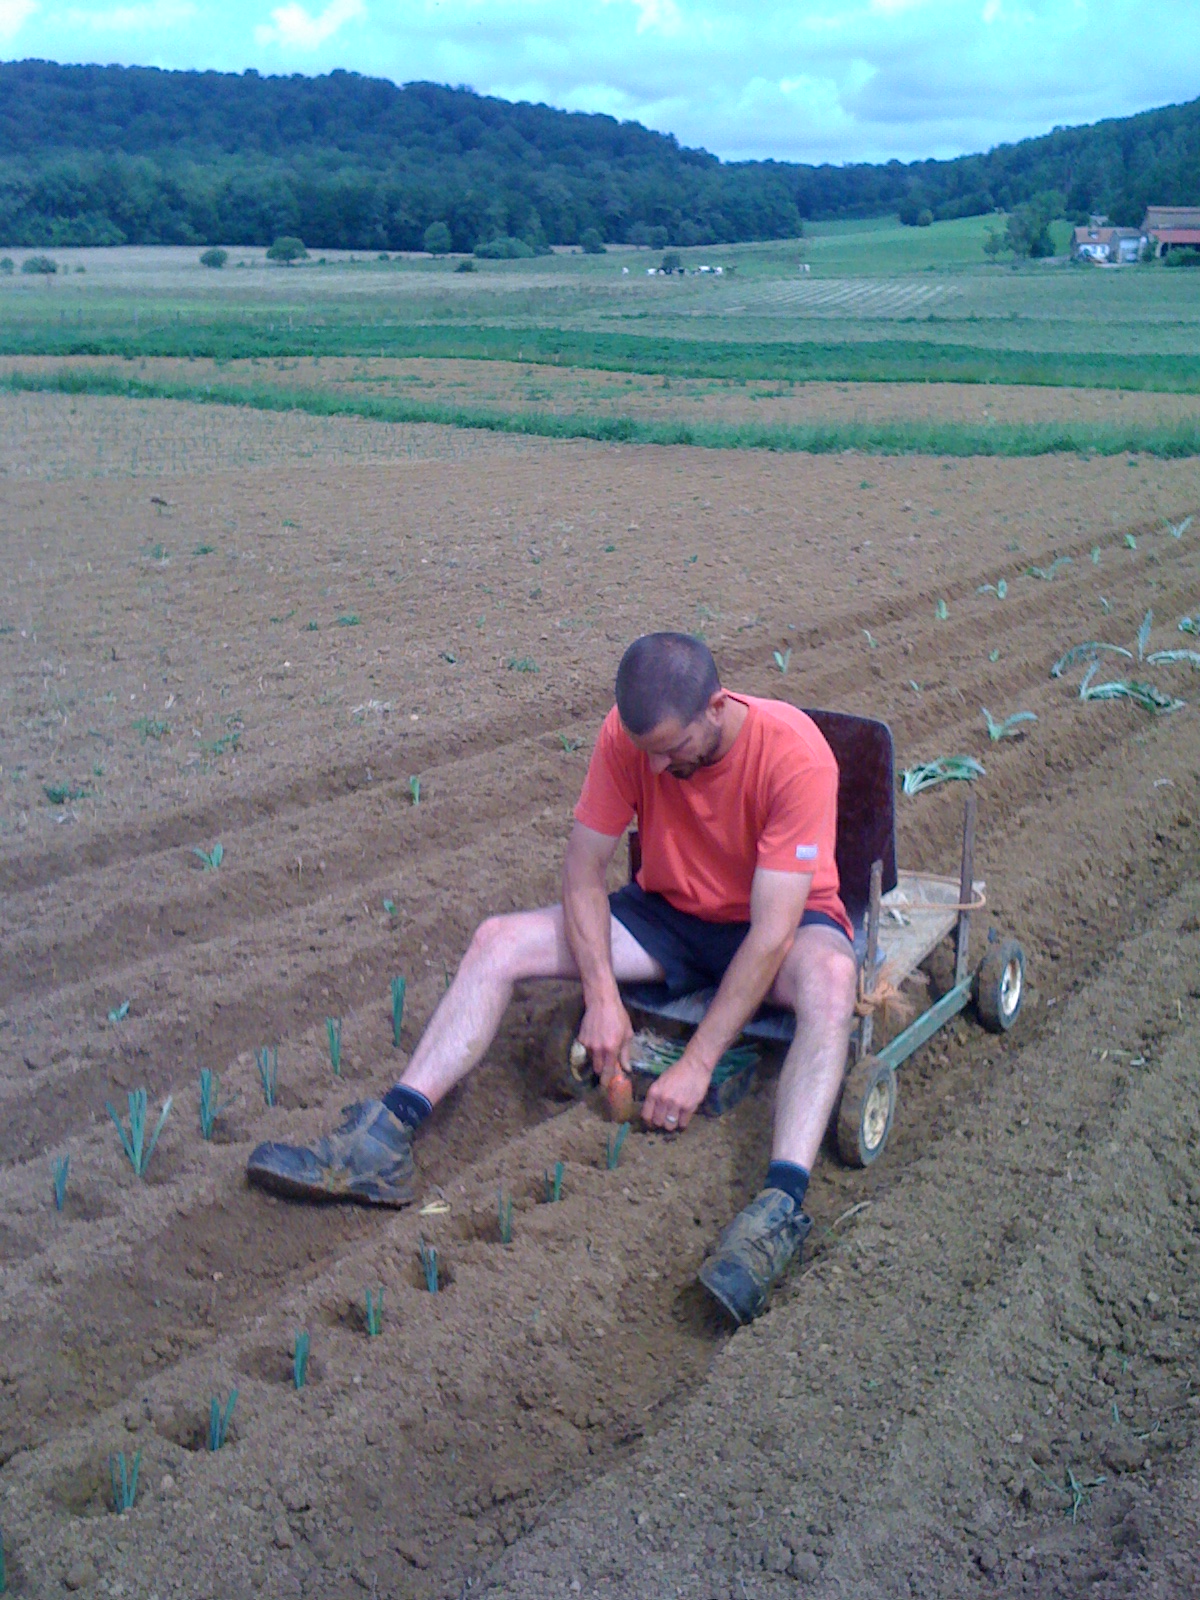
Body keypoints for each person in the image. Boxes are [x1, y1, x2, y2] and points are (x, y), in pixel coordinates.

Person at [247, 632, 859, 1324]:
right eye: (645, 751)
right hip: (670, 914)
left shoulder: (794, 754)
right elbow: (581, 872)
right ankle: (385, 1137)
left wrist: (697, 1061)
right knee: (497, 941)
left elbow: (771, 934)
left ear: (716, 707)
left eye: (671, 750)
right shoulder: (628, 739)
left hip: (781, 918)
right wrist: (602, 999)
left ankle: (780, 1204)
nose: (654, 768)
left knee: (833, 985)